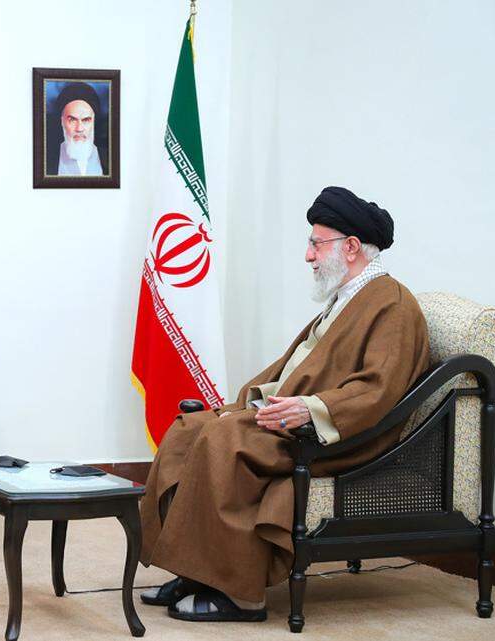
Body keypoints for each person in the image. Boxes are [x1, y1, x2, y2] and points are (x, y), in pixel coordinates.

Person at [138, 186, 430, 622]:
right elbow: (296, 366)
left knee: (225, 440)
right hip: (291, 419)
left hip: (337, 436)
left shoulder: (393, 305)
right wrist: (254, 402)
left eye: (316, 243)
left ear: (351, 247)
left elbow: (376, 391)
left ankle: (241, 596)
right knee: (188, 429)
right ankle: (195, 570)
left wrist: (309, 409)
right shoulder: (347, 298)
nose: (309, 255)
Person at [48, 81, 106, 176]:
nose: (79, 128)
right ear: (62, 121)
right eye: (72, 120)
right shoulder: (47, 160)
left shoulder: (109, 159)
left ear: (94, 122)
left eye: (86, 120)